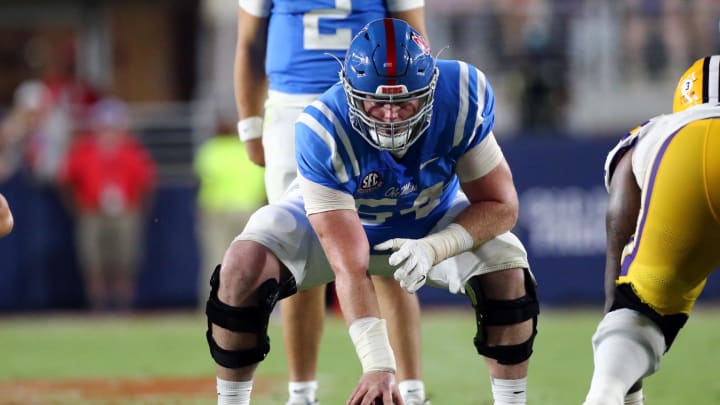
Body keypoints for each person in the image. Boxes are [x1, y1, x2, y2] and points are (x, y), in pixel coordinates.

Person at [208, 18, 539, 405]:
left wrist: (435, 247)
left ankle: (512, 401)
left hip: (430, 216)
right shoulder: (323, 127)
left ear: (430, 90)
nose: (391, 116)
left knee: (506, 260)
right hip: (350, 224)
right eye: (377, 103)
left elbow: (502, 205)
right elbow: (349, 264)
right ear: (350, 93)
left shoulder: (461, 94)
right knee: (242, 264)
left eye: (404, 102)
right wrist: (379, 365)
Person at [234, 2, 429, 404]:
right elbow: (251, 42)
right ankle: (302, 394)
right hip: (295, 108)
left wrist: (251, 123)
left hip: (373, 106)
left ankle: (410, 391)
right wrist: (251, 124)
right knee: (296, 257)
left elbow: (415, 45)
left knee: (392, 255)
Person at [583, 55, 720, 405]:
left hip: (687, 151)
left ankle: (603, 395)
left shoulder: (662, 127)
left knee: (642, 307)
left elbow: (618, 221)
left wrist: (621, 312)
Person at [58, 97, 156, 312]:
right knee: (93, 263)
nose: (109, 131)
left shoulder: (132, 151)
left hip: (125, 212)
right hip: (92, 212)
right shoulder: (84, 150)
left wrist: (137, 209)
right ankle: (99, 309)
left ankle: (123, 308)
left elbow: (147, 183)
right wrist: (78, 206)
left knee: (125, 262)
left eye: (113, 126)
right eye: (105, 126)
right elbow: (66, 180)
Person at [194, 120, 266, 309]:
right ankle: (251, 305)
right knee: (250, 261)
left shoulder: (211, 149)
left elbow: (203, 178)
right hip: (248, 209)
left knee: (216, 259)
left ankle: (213, 304)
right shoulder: (250, 148)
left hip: (217, 209)